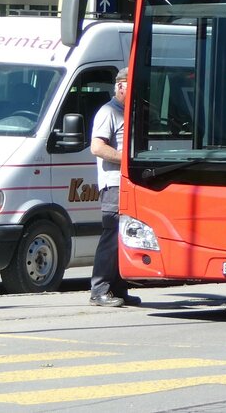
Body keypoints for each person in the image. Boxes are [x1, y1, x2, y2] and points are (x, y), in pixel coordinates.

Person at [89, 67, 139, 307]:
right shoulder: (108, 111)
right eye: (131, 84)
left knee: (124, 235)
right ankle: (99, 289)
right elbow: (97, 148)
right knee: (111, 236)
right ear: (120, 86)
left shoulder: (129, 111)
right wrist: (127, 159)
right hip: (113, 185)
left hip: (128, 184)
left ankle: (118, 287)